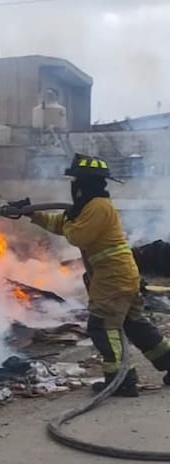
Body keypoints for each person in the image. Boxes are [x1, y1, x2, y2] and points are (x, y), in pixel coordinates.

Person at [27, 153, 170, 397]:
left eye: (76, 180)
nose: (74, 185)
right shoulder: (91, 206)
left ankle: (120, 380)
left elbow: (77, 235)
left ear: (86, 182)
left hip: (113, 278)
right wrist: (32, 215)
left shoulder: (97, 207)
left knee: (102, 327)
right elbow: (62, 223)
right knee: (135, 324)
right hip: (121, 275)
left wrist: (68, 219)